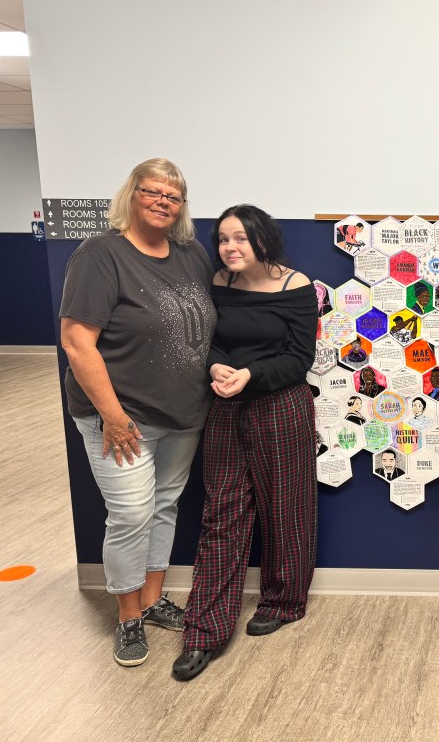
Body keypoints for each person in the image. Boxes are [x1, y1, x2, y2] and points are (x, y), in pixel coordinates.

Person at [60, 158, 216, 668]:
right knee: (129, 514)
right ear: (132, 194)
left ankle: (153, 600)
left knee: (165, 505)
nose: (162, 202)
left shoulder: (191, 254)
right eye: (152, 192)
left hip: (184, 413)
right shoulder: (100, 255)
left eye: (173, 196)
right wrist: (113, 415)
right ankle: (127, 617)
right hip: (120, 419)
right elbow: (77, 342)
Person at [173, 204, 317, 682]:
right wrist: (216, 366)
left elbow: (299, 359)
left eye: (241, 239)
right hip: (227, 406)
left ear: (263, 241)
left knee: (285, 508)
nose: (230, 249)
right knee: (222, 514)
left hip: (281, 405)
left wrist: (251, 373)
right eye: (223, 239)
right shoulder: (218, 284)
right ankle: (204, 631)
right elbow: (210, 343)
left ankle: (284, 601)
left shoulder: (295, 286)